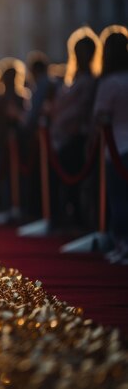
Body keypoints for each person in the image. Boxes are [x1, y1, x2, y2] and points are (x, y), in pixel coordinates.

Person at [48, 27, 101, 230]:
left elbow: (77, 111)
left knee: (80, 185)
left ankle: (82, 222)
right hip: (64, 138)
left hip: (80, 137)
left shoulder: (90, 81)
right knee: (68, 184)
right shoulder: (73, 81)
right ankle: (71, 219)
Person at [93, 25, 128, 263]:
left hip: (118, 146)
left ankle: (122, 243)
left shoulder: (109, 83)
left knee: (119, 199)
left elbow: (101, 116)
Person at [0, 62, 26, 214]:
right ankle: (8, 206)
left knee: (12, 176)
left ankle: (13, 206)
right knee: (5, 176)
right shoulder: (3, 100)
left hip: (14, 144)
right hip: (5, 143)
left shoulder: (16, 98)